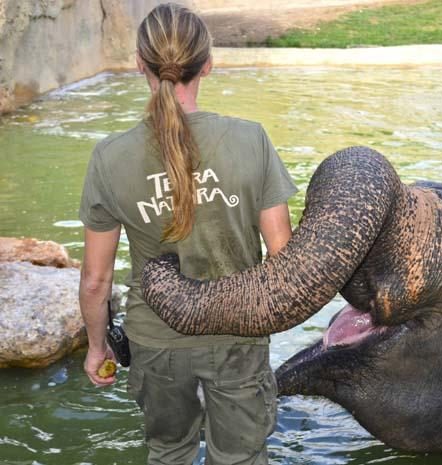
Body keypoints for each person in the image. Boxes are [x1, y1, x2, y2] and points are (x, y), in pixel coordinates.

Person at [78, 3, 297, 464]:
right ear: (208, 64)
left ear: (141, 63)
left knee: (169, 452)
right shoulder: (250, 139)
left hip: (155, 342)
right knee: (239, 457)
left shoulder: (109, 157)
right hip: (238, 336)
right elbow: (283, 256)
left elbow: (95, 282)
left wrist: (97, 347)